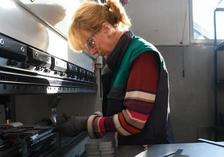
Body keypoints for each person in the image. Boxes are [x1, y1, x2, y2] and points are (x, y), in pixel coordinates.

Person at [58, 0, 173, 145]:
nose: (92, 52)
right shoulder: (116, 63)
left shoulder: (142, 55)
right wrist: (92, 119)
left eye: (90, 43)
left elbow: (133, 121)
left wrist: (85, 123)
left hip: (152, 156)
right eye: (86, 48)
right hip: (135, 154)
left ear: (106, 28)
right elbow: (118, 112)